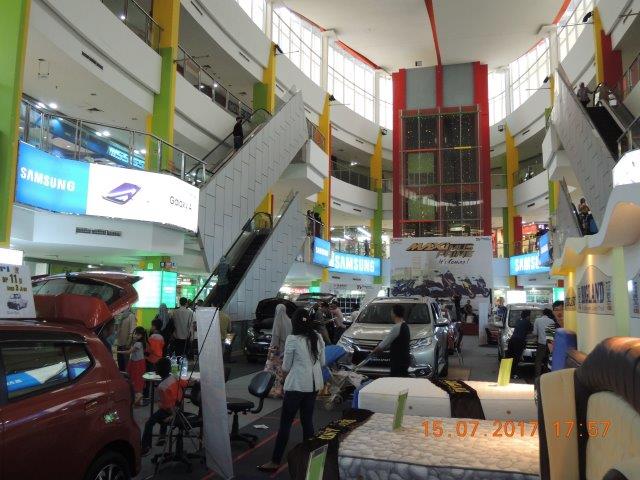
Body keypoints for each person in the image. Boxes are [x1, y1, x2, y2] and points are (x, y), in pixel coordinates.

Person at [258, 309, 325, 472]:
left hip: (296, 386)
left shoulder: (293, 339)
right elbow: (323, 362)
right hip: (313, 385)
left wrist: (283, 377)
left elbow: (286, 366)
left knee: (285, 424)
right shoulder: (317, 337)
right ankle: (309, 458)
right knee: (307, 422)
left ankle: (275, 461)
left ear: (294, 323)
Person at [141, 357, 188, 455]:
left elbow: (167, 406)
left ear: (157, 372)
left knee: (149, 422)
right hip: (180, 408)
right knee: (161, 413)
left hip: (172, 412)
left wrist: (172, 416)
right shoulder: (175, 377)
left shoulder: (162, 387)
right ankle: (162, 436)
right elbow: (185, 384)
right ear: (170, 368)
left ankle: (145, 447)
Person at [372, 304, 410, 377]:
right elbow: (398, 343)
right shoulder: (405, 325)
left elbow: (384, 344)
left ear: (394, 313)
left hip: (398, 362)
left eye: (391, 312)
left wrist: (373, 352)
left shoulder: (397, 327)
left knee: (395, 380)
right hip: (404, 360)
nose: (391, 314)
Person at [264, 303, 292, 398]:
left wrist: (270, 351)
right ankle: (284, 390)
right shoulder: (290, 321)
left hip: (278, 351)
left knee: (273, 370)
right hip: (287, 350)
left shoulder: (277, 321)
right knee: (284, 370)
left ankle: (274, 390)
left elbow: (275, 339)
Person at [122, 326, 148, 406]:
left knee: (136, 380)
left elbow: (129, 352)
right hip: (136, 363)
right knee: (137, 380)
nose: (135, 335)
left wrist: (116, 351)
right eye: (135, 334)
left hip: (137, 364)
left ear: (141, 336)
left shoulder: (138, 343)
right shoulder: (139, 343)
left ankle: (138, 399)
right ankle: (138, 401)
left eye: (137, 334)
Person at [507, 310, 532, 375]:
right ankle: (513, 374)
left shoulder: (518, 321)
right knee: (516, 358)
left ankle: (506, 373)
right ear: (528, 316)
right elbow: (531, 332)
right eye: (530, 316)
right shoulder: (528, 322)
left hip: (512, 340)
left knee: (510, 357)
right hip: (519, 341)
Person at [533, 308, 556, 377]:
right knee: (547, 360)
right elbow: (552, 335)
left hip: (541, 343)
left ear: (543, 313)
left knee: (538, 361)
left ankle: (537, 377)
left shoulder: (537, 320)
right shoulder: (552, 321)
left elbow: (535, 333)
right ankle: (546, 376)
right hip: (550, 344)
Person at [546, 301, 565, 370]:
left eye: (562, 309)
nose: (559, 312)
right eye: (556, 310)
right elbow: (552, 349)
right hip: (554, 364)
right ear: (553, 312)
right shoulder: (550, 328)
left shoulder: (571, 325)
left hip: (569, 365)